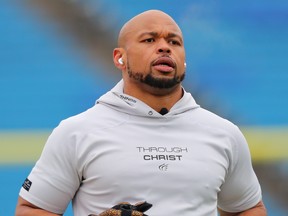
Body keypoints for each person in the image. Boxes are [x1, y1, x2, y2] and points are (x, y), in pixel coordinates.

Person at [15, 9, 267, 216]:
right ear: (119, 58)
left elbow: (247, 209)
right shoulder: (77, 132)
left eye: (174, 42)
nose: (164, 48)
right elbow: (32, 209)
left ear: (184, 58)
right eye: (149, 40)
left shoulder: (224, 133)